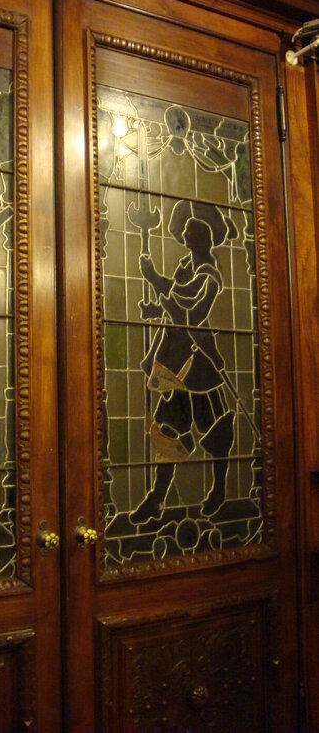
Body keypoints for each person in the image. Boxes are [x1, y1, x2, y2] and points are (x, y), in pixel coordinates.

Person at [129, 200, 238, 523]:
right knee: (168, 431)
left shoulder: (210, 276)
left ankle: (219, 490)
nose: (184, 233)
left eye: (190, 230)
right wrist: (155, 308)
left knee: (215, 432)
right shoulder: (185, 267)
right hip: (175, 363)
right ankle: (156, 498)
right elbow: (175, 302)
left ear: (202, 238)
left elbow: (191, 312)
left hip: (199, 365)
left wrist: (154, 279)